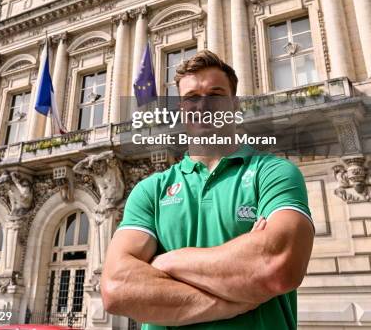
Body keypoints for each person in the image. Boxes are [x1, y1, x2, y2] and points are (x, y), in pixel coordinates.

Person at [101, 50, 314, 329]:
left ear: (234, 105)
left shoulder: (273, 172)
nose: (203, 106)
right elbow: (117, 289)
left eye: (215, 94)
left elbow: (277, 266)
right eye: (191, 98)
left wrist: (167, 261)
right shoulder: (150, 189)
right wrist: (234, 299)